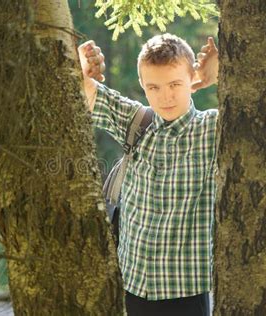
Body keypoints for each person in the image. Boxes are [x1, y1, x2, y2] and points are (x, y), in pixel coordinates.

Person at [78, 33, 219, 316]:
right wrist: (81, 64)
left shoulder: (212, 128)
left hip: (185, 293)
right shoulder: (136, 121)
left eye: (175, 84)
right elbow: (83, 89)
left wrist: (222, 71)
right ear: (142, 85)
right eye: (153, 87)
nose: (164, 96)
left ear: (193, 79)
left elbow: (257, 113)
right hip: (131, 288)